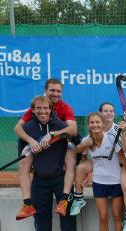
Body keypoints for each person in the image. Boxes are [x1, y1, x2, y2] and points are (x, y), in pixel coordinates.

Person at [24, 95, 81, 231]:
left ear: (51, 109)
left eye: (46, 108)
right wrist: (32, 145)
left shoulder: (61, 126)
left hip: (60, 179)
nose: (43, 111)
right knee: (41, 216)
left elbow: (74, 136)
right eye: (39, 108)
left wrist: (53, 134)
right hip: (39, 180)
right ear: (33, 110)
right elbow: (24, 164)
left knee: (66, 214)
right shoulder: (28, 129)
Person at [14, 78, 78, 220]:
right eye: (52, 90)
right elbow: (17, 128)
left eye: (58, 91)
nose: (55, 93)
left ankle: (64, 199)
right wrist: (32, 141)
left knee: (71, 152)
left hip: (61, 140)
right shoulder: (38, 105)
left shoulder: (65, 107)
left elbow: (72, 130)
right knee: (24, 160)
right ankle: (27, 204)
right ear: (45, 90)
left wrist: (52, 134)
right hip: (38, 141)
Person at [75, 112, 126, 231]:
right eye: (92, 122)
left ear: (103, 124)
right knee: (103, 217)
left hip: (116, 181)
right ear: (88, 125)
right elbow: (78, 151)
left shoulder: (111, 138)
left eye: (98, 122)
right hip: (99, 182)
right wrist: (84, 145)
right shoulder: (87, 140)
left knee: (117, 215)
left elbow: (123, 157)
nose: (95, 125)